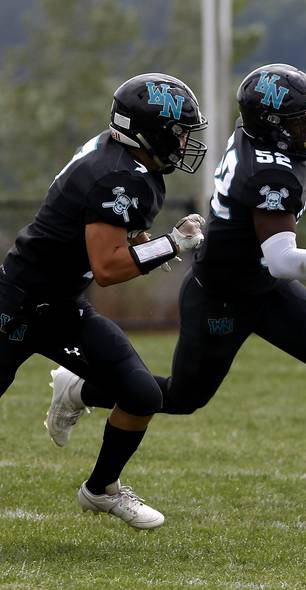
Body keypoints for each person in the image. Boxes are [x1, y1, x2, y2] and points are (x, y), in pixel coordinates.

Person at [45, 63, 306, 509]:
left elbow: (295, 158)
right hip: (222, 296)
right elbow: (285, 259)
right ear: (273, 125)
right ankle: (79, 390)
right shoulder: (268, 175)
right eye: (301, 120)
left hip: (261, 285)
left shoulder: (255, 135)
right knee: (179, 397)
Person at [1, 73, 208, 529]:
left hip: (62, 305)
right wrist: (171, 245)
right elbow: (109, 267)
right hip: (16, 303)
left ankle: (101, 489)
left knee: (141, 394)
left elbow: (118, 233)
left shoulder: (129, 162)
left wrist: (150, 245)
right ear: (148, 129)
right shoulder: (118, 174)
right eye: (178, 131)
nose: (185, 140)